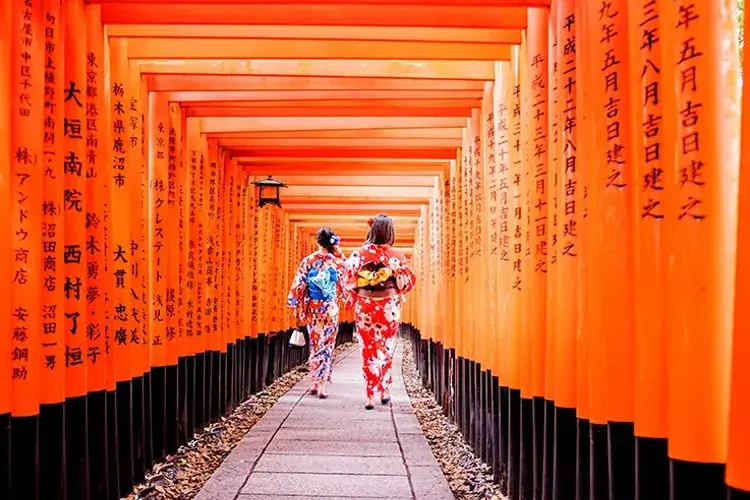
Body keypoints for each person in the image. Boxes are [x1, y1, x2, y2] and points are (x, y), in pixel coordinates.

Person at [343, 214, 416, 410]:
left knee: (368, 347)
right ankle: (383, 388)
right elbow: (407, 283)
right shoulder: (397, 256)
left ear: (372, 230)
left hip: (365, 304)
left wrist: (353, 295)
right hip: (388, 307)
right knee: (387, 346)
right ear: (390, 232)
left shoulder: (358, 254)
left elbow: (347, 279)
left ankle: (369, 394)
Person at [287, 227, 346, 399]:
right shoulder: (337, 262)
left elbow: (299, 284)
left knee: (315, 343)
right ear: (332, 243)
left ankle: (314, 381)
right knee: (327, 345)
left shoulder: (308, 261)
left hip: (313, 309)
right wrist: (340, 255)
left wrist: (295, 303)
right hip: (330, 309)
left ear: (318, 241)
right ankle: (321, 385)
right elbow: (347, 279)